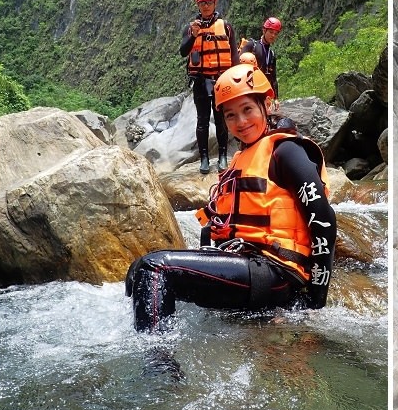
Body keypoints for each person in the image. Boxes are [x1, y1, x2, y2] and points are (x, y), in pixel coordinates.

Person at [125, 63, 336, 333]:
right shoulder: (241, 158)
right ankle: (156, 349)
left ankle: (158, 370)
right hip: (249, 264)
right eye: (231, 115)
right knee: (137, 272)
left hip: (276, 271)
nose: (241, 122)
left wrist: (313, 303)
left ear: (267, 105)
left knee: (154, 269)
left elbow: (324, 221)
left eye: (248, 109)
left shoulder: (286, 151)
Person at [180, 0, 239, 174]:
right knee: (202, 120)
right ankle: (204, 158)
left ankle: (222, 155)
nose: (206, 6)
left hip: (221, 80)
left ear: (215, 3)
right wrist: (193, 36)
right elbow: (183, 51)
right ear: (198, 4)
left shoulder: (226, 27)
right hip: (200, 80)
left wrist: (237, 80)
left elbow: (234, 56)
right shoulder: (191, 28)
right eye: (202, 2)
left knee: (221, 119)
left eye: (209, 2)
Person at [238, 16, 281, 100]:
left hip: (261, 89)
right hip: (247, 89)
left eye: (276, 33)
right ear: (264, 30)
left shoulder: (271, 54)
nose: (273, 35)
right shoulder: (251, 45)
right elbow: (237, 66)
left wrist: (276, 99)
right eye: (271, 32)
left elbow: (273, 78)